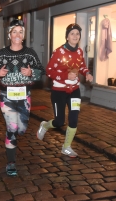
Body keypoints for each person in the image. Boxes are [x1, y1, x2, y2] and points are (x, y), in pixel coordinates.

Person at [0, 19, 45, 176]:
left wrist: (31, 73)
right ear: (9, 34)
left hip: (24, 97)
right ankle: (11, 163)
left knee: (21, 129)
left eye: (20, 32)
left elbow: (42, 71)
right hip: (7, 97)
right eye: (14, 31)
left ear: (23, 35)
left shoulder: (30, 53)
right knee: (12, 128)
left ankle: (14, 139)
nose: (17, 34)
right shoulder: (1, 54)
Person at [36, 23, 93, 158]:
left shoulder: (79, 51)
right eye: (72, 33)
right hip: (59, 91)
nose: (75, 36)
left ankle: (66, 147)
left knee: (74, 119)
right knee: (59, 121)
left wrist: (87, 73)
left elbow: (82, 66)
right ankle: (45, 125)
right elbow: (49, 71)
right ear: (67, 36)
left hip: (75, 91)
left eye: (77, 34)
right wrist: (65, 76)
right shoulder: (59, 52)